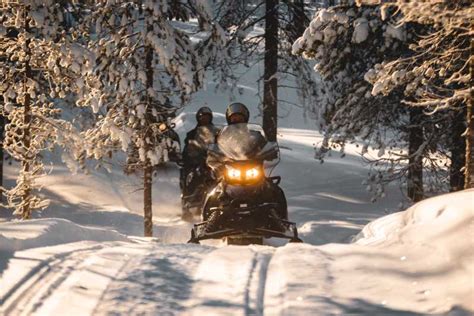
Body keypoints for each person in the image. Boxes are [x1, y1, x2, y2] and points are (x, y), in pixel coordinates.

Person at [180, 106, 218, 195]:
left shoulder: (217, 132)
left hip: (214, 161)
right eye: (202, 117)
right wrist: (191, 153)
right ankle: (190, 196)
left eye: (207, 117)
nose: (205, 119)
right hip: (198, 161)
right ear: (198, 118)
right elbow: (187, 149)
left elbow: (223, 145)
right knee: (194, 175)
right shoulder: (192, 133)